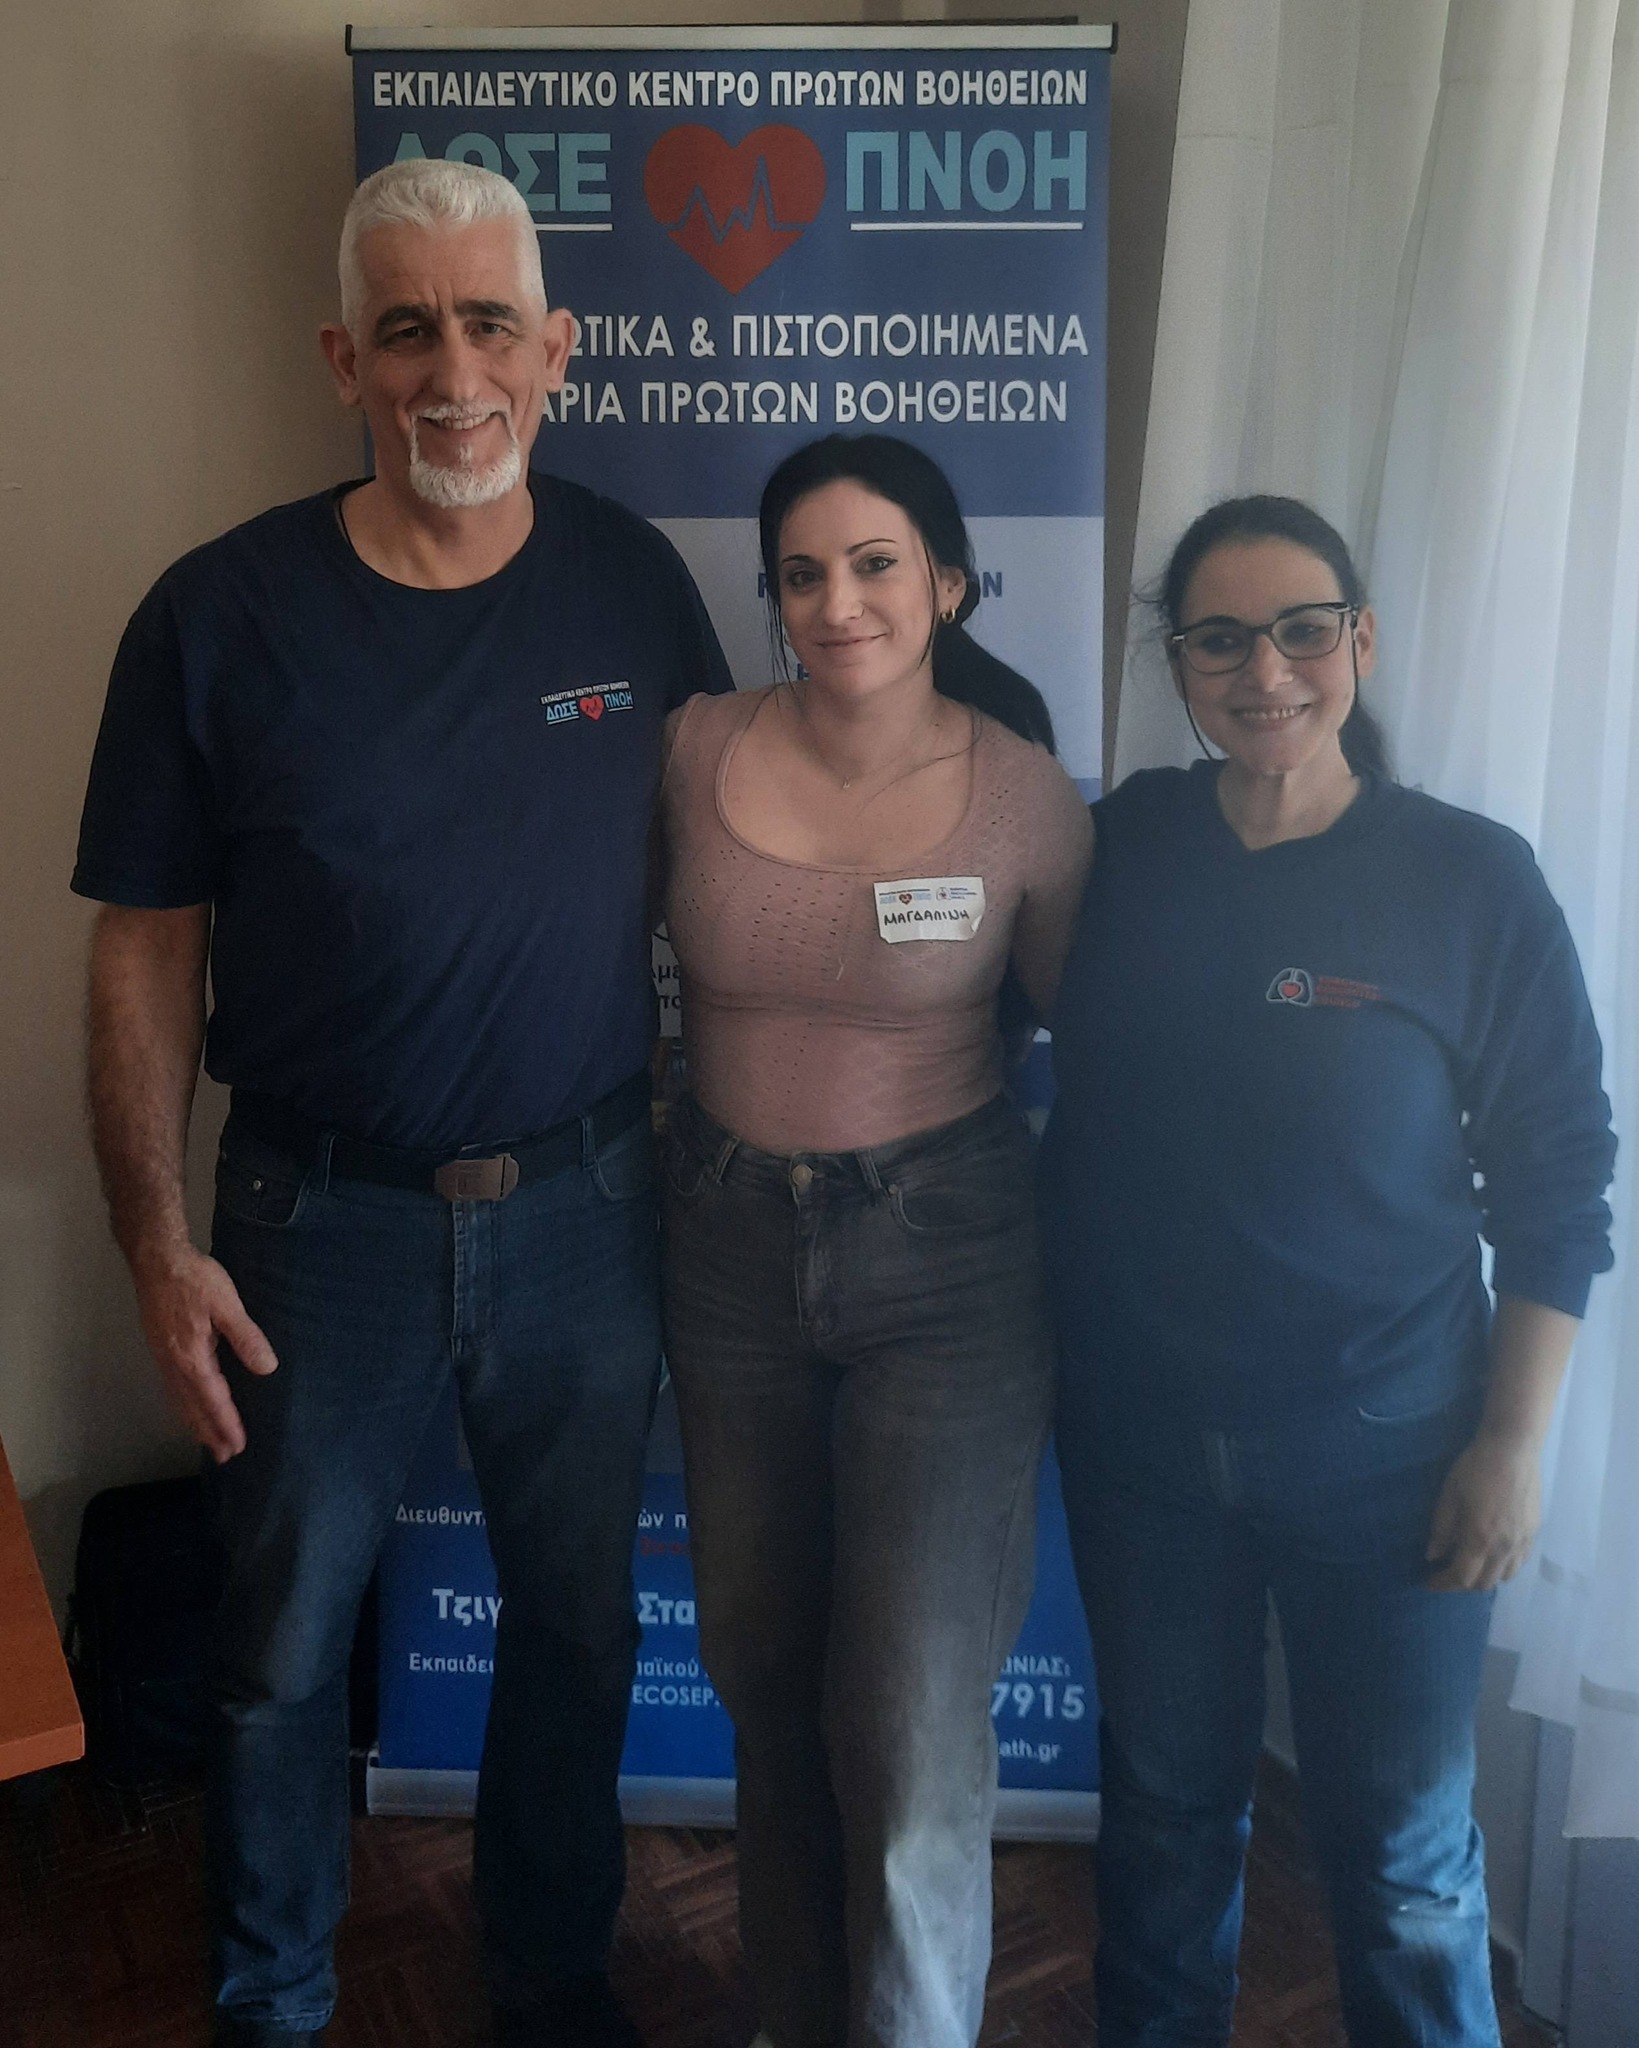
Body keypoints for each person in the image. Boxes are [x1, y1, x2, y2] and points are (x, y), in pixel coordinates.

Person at [72, 159, 730, 2048]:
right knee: (279, 1653)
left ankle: (549, 1976)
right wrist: (156, 1251)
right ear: (342, 358)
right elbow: (142, 957)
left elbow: (726, 873)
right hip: (310, 1224)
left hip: (588, 1211)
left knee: (580, 1628)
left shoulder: (632, 584)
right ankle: (273, 2000)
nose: (456, 373)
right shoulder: (214, 615)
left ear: (559, 350)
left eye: (492, 323)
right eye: (411, 330)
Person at [1041, 494, 1617, 2048]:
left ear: (1359, 640)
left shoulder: (1470, 880)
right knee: (1164, 1830)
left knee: (1406, 1866)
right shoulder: (1122, 847)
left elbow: (1561, 1178)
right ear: (1178, 663)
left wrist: (1513, 1444)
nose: (1266, 671)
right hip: (1144, 1455)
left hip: (1392, 1454)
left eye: (1302, 630)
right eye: (1220, 640)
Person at [656, 433, 1094, 2048]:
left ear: (950, 583)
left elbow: (1093, 1042)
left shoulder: (1025, 796)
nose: (837, 603)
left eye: (876, 564)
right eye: (802, 573)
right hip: (724, 1249)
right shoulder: (693, 747)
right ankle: (793, 2016)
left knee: (908, 1724)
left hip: (948, 1265)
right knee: (764, 1680)